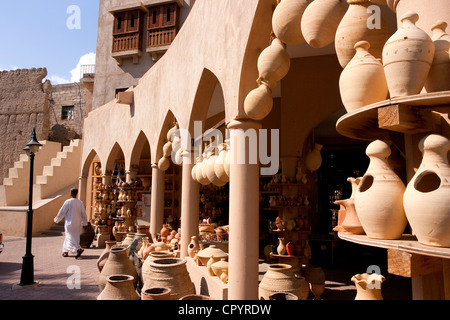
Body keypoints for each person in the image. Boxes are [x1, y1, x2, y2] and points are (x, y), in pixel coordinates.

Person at [54, 188, 88, 259]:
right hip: (77, 223)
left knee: (69, 236)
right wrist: (85, 223)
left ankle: (77, 249)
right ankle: (65, 252)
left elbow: (62, 212)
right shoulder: (80, 202)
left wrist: (56, 220)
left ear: (71, 194)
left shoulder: (68, 202)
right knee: (74, 236)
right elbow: (83, 214)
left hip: (69, 223)